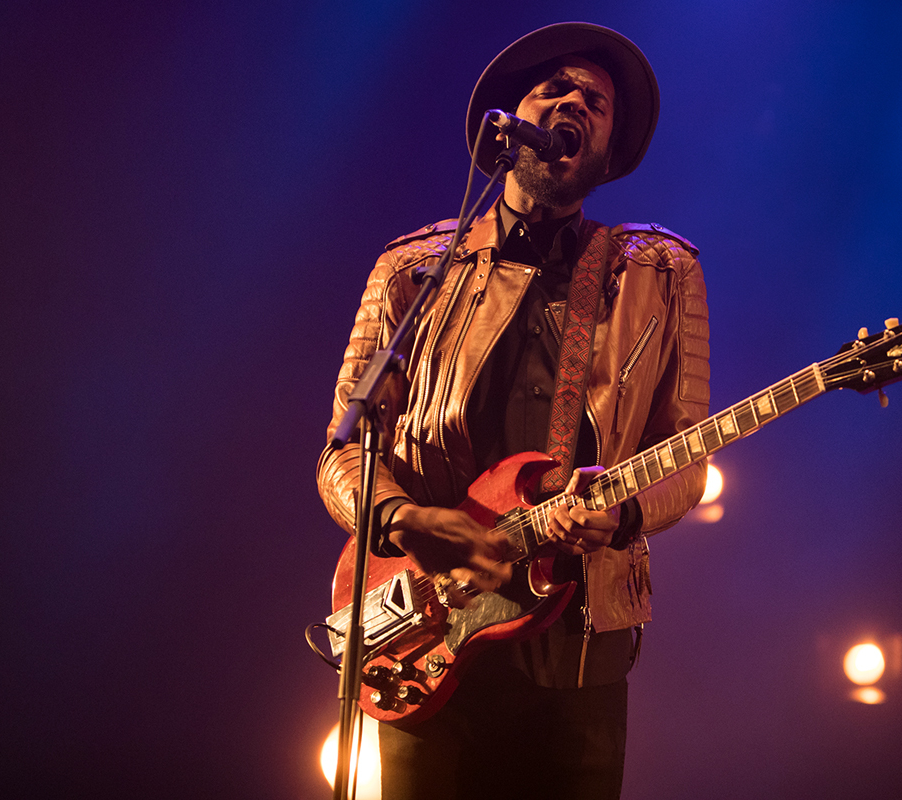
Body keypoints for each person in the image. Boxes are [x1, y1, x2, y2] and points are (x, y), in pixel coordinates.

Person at [318, 22, 710, 800]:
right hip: (425, 637)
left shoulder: (661, 273)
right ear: (509, 122)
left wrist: (623, 518)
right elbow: (343, 451)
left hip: (580, 644)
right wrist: (404, 521)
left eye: (595, 102)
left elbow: (689, 458)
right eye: (553, 89)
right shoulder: (412, 268)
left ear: (607, 150)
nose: (573, 102)